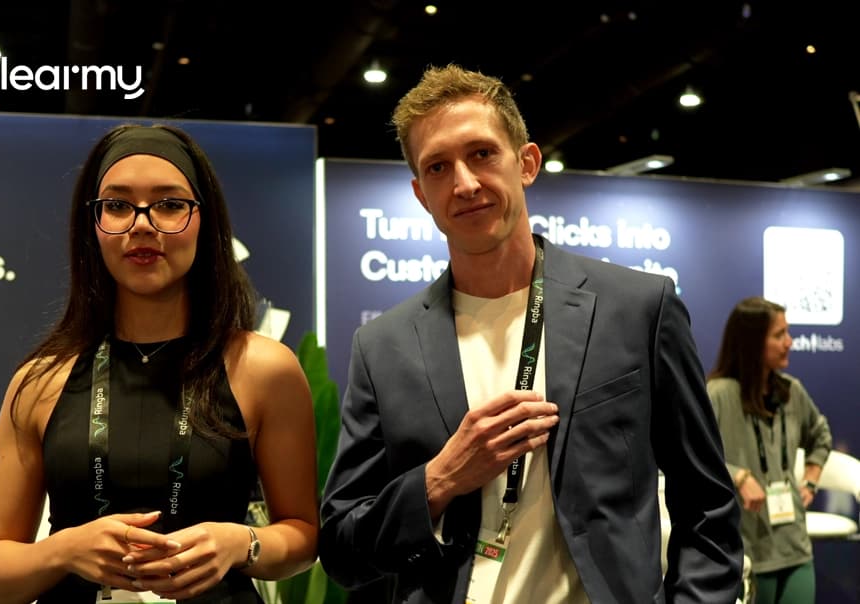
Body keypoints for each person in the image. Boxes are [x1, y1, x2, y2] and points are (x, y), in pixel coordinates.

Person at [318, 64, 744, 603]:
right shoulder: (383, 347)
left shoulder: (638, 308)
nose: (465, 184)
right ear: (421, 194)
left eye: (481, 154)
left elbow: (707, 505)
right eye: (438, 167)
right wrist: (439, 481)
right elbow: (342, 547)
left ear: (527, 162)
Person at [0, 124, 319, 603]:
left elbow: (302, 534)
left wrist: (239, 542)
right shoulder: (40, 380)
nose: (142, 224)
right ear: (91, 225)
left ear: (205, 220)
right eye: (117, 205)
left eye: (170, 204)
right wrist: (65, 550)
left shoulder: (263, 367)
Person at [707, 296, 832, 604]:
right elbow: (692, 458)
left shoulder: (791, 391)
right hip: (744, 550)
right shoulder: (718, 394)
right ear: (751, 341)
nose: (789, 342)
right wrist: (738, 476)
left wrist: (811, 479)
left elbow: (820, 435)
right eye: (779, 335)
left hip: (794, 545)